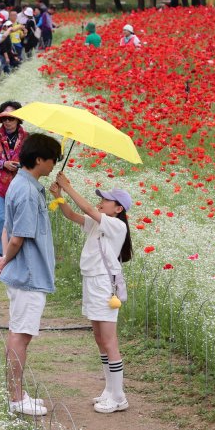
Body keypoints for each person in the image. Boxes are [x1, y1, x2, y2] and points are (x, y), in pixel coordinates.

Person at [0, 133, 62, 417]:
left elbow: (8, 228)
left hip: (22, 272)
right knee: (21, 335)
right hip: (29, 274)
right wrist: (5, 260)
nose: (54, 164)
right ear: (39, 159)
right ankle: (16, 398)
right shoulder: (29, 192)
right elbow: (18, 237)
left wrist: (4, 260)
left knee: (18, 331)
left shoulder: (19, 183)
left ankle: (16, 392)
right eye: (52, 159)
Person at [50, 176, 134, 414]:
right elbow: (72, 215)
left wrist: (68, 186)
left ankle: (118, 396)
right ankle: (109, 390)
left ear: (118, 209)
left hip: (104, 285)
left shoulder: (116, 225)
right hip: (92, 281)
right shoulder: (100, 223)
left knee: (109, 340)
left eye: (106, 200)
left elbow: (85, 207)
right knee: (99, 338)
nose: (101, 202)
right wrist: (58, 195)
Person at [0, 101, 28, 263]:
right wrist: (4, 164)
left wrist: (19, 165)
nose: (8, 122)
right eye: (4, 119)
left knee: (16, 219)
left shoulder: (27, 138)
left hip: (18, 185)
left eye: (11, 118)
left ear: (18, 119)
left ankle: (10, 253)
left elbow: (30, 161)